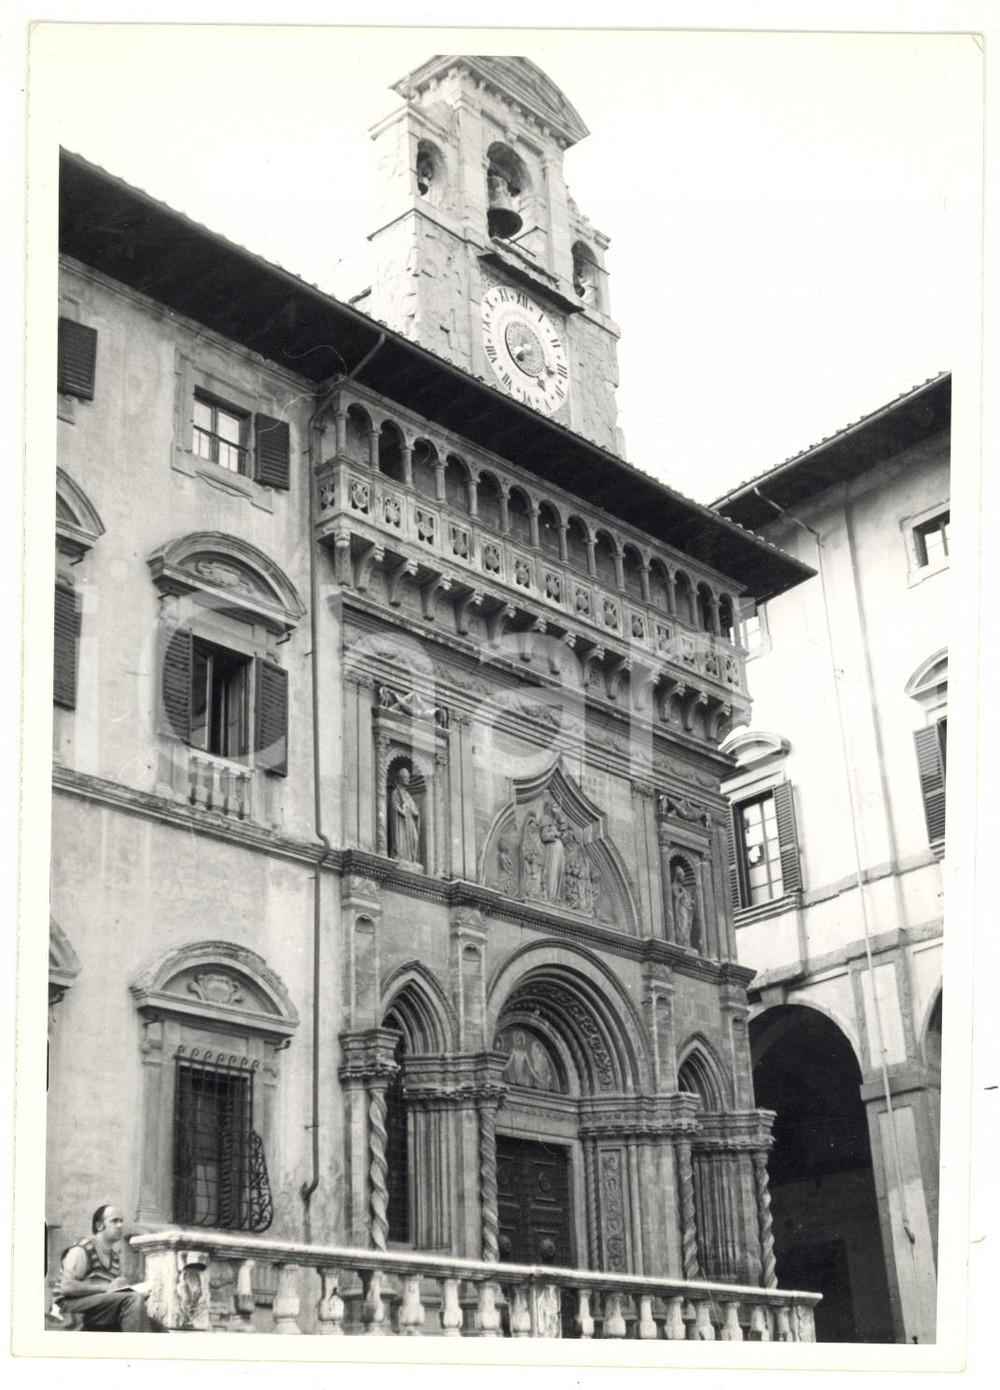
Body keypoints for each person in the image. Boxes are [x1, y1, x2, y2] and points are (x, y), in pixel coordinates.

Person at [57, 1204, 167, 1332]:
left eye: (121, 1221)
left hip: (97, 1309)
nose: (120, 1225)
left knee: (158, 1328)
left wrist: (127, 1291)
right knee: (131, 1299)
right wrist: (107, 1288)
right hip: (69, 1308)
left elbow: (112, 1295)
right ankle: (136, 1350)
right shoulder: (83, 1248)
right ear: (99, 1226)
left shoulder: (115, 1257)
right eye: (114, 1221)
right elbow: (66, 1287)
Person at [391, 767, 421, 864]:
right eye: (405, 777)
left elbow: (415, 811)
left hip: (410, 822)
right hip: (401, 822)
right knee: (402, 841)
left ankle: (413, 858)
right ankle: (401, 857)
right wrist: (401, 810)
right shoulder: (396, 792)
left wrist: (413, 811)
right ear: (400, 779)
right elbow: (394, 806)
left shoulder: (407, 795)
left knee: (415, 838)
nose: (408, 779)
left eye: (408, 777)